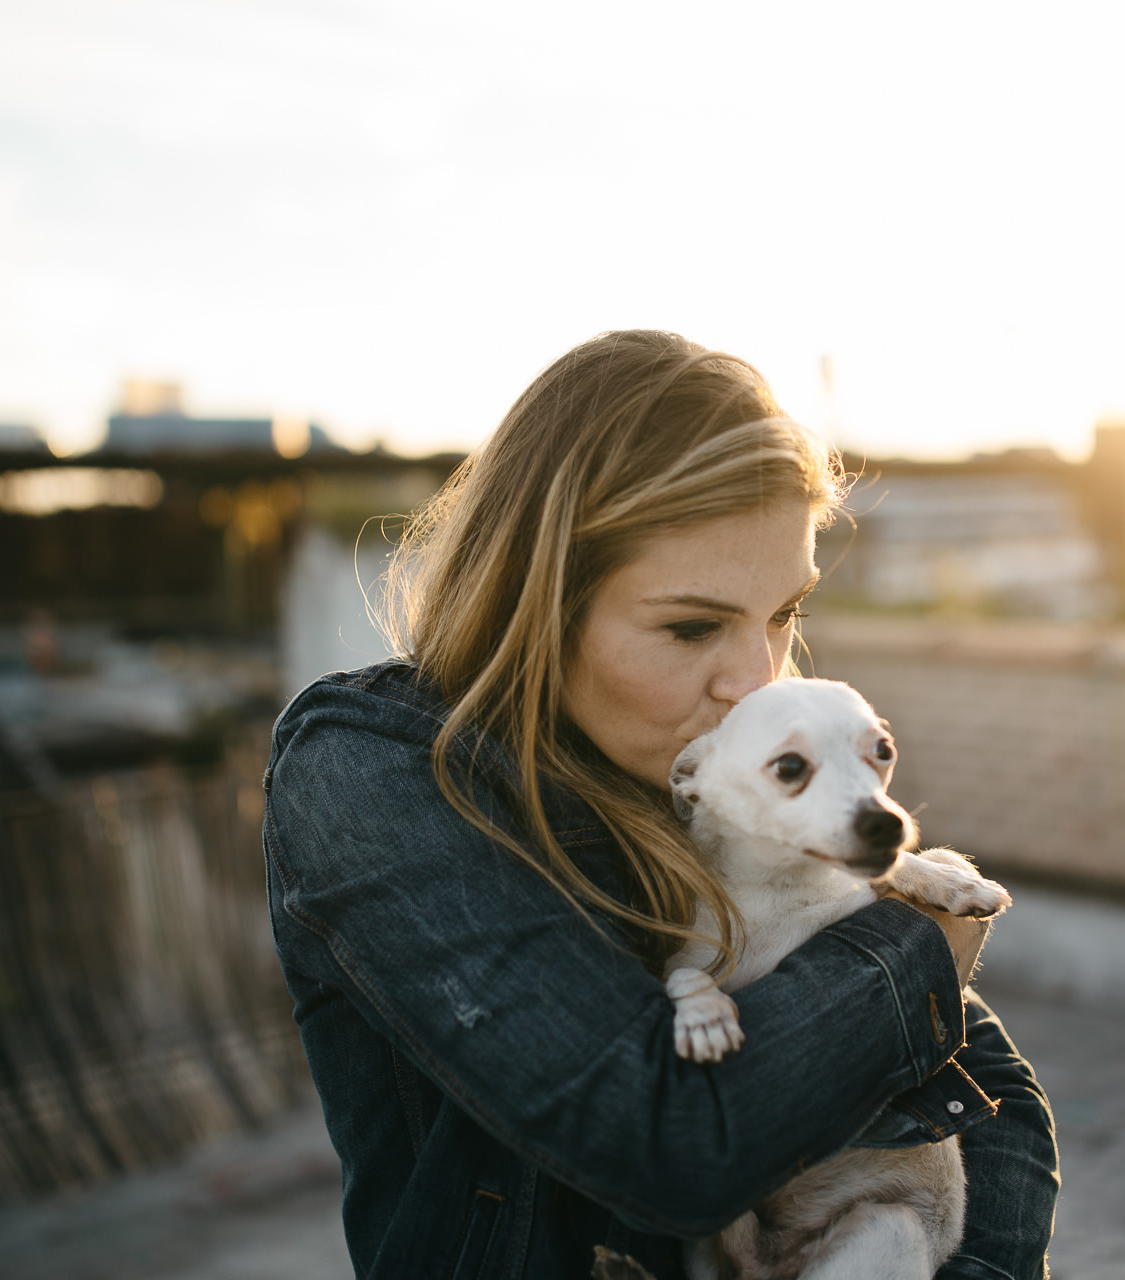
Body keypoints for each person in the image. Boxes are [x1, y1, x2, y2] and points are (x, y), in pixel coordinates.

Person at [262, 330, 1060, 1279]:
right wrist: (913, 945)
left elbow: (997, 1099)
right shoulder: (369, 770)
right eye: (692, 626)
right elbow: (668, 1143)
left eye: (784, 614)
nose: (755, 679)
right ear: (539, 601)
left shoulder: (724, 769)